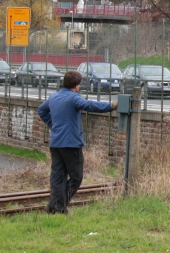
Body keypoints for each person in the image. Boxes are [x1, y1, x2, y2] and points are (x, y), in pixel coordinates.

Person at [36, 70, 115, 214]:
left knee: (57, 176)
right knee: (76, 177)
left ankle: (54, 207)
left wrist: (52, 124)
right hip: (71, 143)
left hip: (55, 143)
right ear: (77, 85)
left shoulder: (54, 97)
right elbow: (89, 105)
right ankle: (58, 206)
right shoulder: (73, 98)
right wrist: (110, 106)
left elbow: (41, 110)